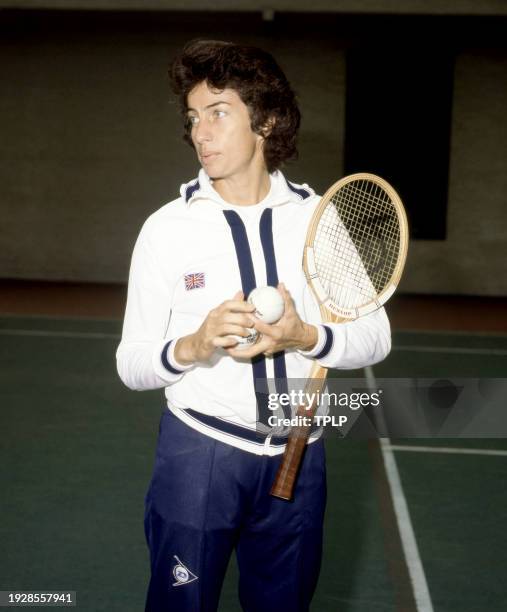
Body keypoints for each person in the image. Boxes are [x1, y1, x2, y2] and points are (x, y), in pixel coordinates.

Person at [116, 39, 391, 612]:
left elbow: (375, 337)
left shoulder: (318, 219)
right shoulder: (167, 228)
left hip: (300, 454)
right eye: (194, 118)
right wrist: (192, 344)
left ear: (265, 120)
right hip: (200, 454)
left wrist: (304, 337)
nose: (201, 133)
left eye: (219, 114)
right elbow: (131, 365)